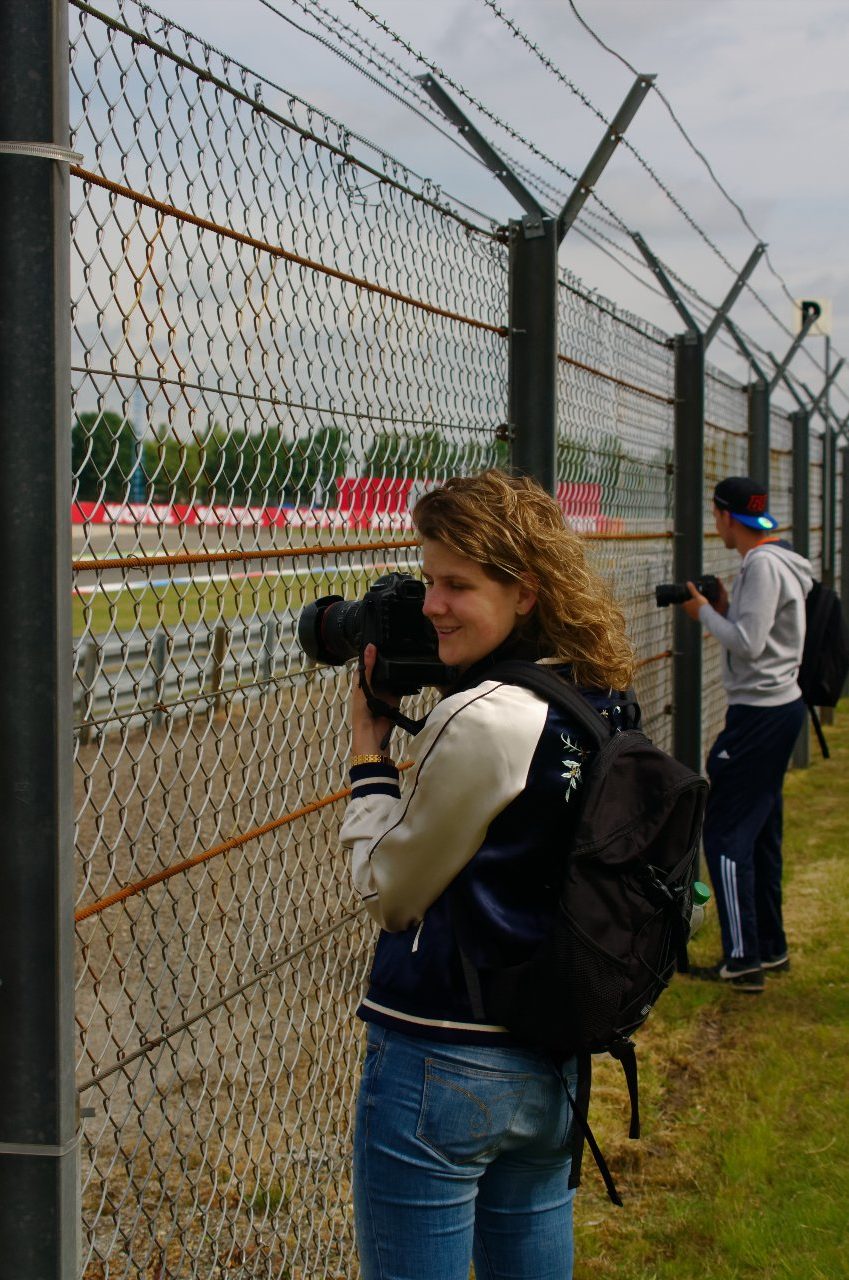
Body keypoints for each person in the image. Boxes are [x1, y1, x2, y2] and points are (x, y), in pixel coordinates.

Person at [339, 469, 635, 1280]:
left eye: (457, 586)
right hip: (550, 1054)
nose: (431, 604)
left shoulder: (480, 718)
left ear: (526, 592)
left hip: (442, 1055)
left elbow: (389, 894)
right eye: (428, 580)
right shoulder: (595, 695)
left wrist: (370, 756)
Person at [681, 476, 812, 994]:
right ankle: (770, 946)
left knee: (726, 835)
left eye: (716, 516)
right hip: (782, 707)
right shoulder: (781, 559)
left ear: (723, 516)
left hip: (757, 713)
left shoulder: (759, 564)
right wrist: (727, 605)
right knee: (761, 831)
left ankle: (743, 958)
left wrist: (705, 613)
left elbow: (750, 643)